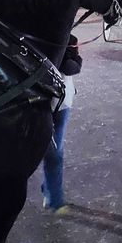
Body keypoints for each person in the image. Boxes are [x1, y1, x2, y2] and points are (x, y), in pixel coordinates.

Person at [41, 36, 82, 215]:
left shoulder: (67, 37)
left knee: (54, 151)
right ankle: (53, 196)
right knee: (52, 152)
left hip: (61, 103)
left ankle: (52, 197)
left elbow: (72, 67)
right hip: (38, 102)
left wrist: (70, 54)